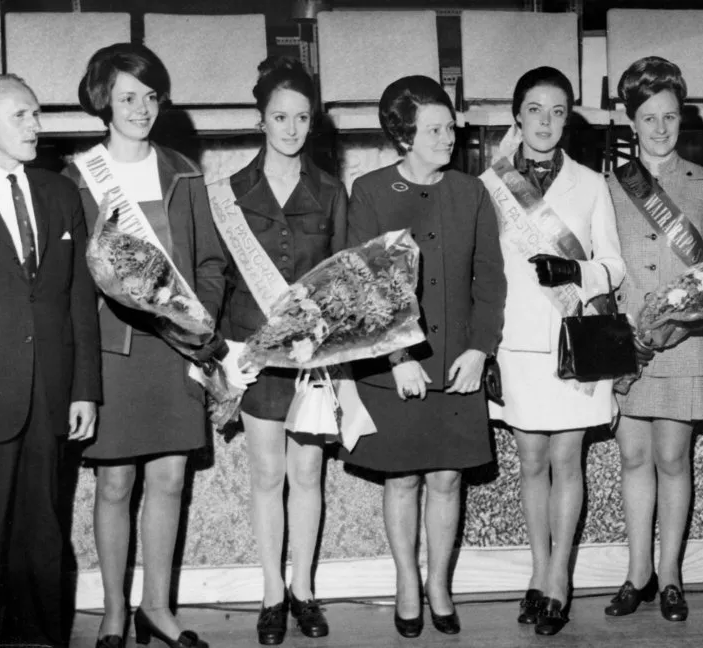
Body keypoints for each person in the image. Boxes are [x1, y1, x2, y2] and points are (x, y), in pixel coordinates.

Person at [64, 43, 255, 648]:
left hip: (176, 348)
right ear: (103, 101)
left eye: (151, 96)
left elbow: (209, 261)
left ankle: (157, 608)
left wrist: (197, 323)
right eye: (128, 97)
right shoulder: (76, 177)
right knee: (115, 484)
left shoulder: (184, 171)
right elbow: (70, 277)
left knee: (170, 479)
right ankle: (116, 611)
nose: (142, 107)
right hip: (112, 351)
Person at [339, 75, 506, 639]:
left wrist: (481, 349)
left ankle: (440, 584)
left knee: (447, 480)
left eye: (451, 126)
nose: (449, 136)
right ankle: (407, 582)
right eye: (434, 129)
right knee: (403, 480)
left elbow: (490, 281)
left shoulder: (471, 192)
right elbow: (364, 286)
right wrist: (397, 357)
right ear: (403, 135)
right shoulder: (369, 191)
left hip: (458, 363)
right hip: (397, 368)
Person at [0, 74, 101, 646]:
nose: (36, 126)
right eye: (21, 115)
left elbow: (77, 300)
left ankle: (42, 639)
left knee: (44, 530)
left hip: (51, 395)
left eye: (36, 114)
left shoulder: (60, 193)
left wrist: (84, 386)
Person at [487, 66, 625, 636]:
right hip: (516, 344)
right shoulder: (488, 185)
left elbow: (613, 265)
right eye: (535, 110)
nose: (545, 122)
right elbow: (481, 270)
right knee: (531, 463)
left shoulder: (592, 183)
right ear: (517, 115)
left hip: (574, 342)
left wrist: (577, 269)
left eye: (557, 111)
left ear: (569, 119)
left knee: (568, 461)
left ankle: (560, 579)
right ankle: (538, 572)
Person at [217, 56, 347, 645]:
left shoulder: (329, 189)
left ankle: (304, 590)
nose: (292, 129)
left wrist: (336, 357)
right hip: (255, 351)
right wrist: (221, 358)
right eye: (280, 117)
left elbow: (346, 280)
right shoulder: (232, 192)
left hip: (313, 354)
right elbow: (217, 279)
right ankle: (271, 594)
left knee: (308, 472)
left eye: (301, 118)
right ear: (260, 119)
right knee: (267, 475)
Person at [604, 57, 703, 623]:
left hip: (684, 340)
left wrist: (682, 321)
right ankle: (638, 573)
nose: (660, 128)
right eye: (649, 118)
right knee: (633, 456)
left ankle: (673, 574)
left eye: (670, 117)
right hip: (626, 341)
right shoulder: (606, 186)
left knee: (673, 458)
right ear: (631, 121)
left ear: (683, 119)